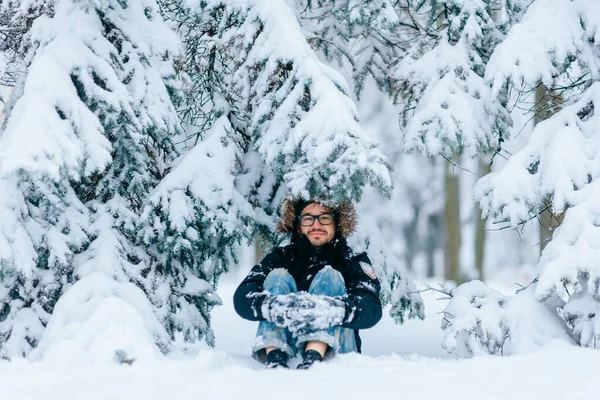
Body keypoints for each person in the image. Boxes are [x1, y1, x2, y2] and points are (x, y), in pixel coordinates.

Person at [233, 197, 382, 369]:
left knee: (330, 277)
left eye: (325, 218)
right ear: (298, 225)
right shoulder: (281, 258)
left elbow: (371, 306)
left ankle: (314, 355)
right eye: (308, 219)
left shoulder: (352, 260)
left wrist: (331, 308)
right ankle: (275, 357)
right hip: (286, 351)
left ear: (337, 223)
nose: (316, 225)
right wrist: (275, 306)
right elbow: (243, 296)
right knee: (277, 277)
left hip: (338, 355)